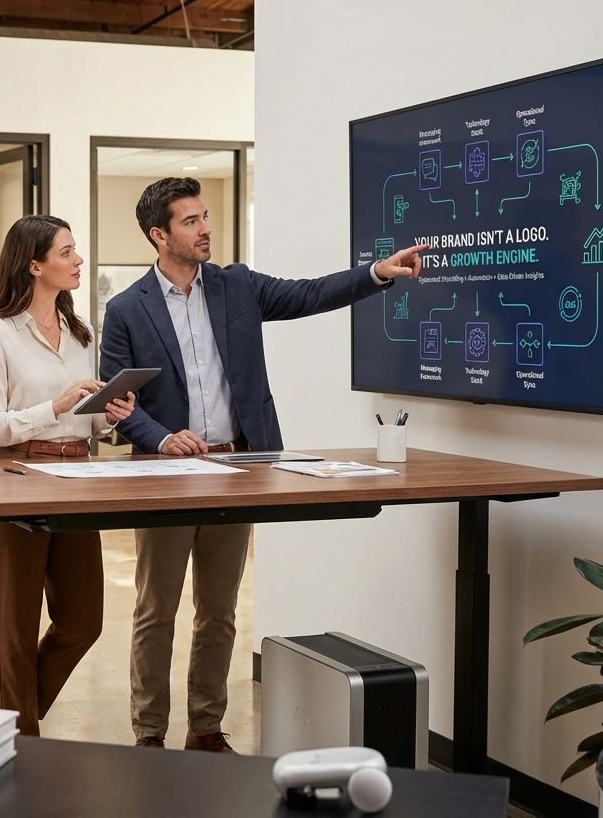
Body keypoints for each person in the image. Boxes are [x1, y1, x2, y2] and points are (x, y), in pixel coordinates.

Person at [100, 177, 425, 753]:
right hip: (163, 476)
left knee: (220, 610)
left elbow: (309, 294)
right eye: (191, 221)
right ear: (159, 235)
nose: (205, 229)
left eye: (205, 217)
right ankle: (149, 733)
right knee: (157, 610)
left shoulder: (237, 287)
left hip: (238, 469)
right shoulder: (126, 309)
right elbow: (117, 402)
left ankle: (205, 727)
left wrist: (376, 273)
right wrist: (160, 437)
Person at [0, 214, 135, 737]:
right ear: (34, 264)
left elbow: (82, 419)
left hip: (77, 474)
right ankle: (23, 740)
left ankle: (9, 714)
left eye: (75, 250)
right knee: (16, 627)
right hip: (16, 474)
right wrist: (53, 405)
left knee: (84, 620)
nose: (78, 259)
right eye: (67, 252)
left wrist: (107, 416)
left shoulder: (81, 333)